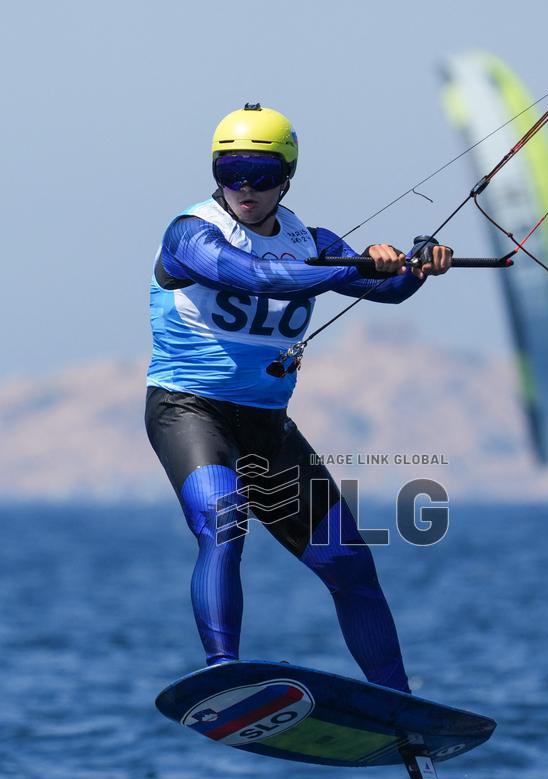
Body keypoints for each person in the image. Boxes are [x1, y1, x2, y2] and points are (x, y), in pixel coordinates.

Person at [145, 103, 452, 693]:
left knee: (351, 566)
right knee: (224, 522)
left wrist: (417, 262)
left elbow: (385, 292)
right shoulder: (189, 233)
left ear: (288, 175)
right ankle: (223, 671)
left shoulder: (310, 240)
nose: (245, 188)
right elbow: (254, 277)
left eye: (261, 174)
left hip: (268, 427)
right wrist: (346, 269)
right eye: (231, 170)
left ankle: (399, 706)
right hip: (188, 411)